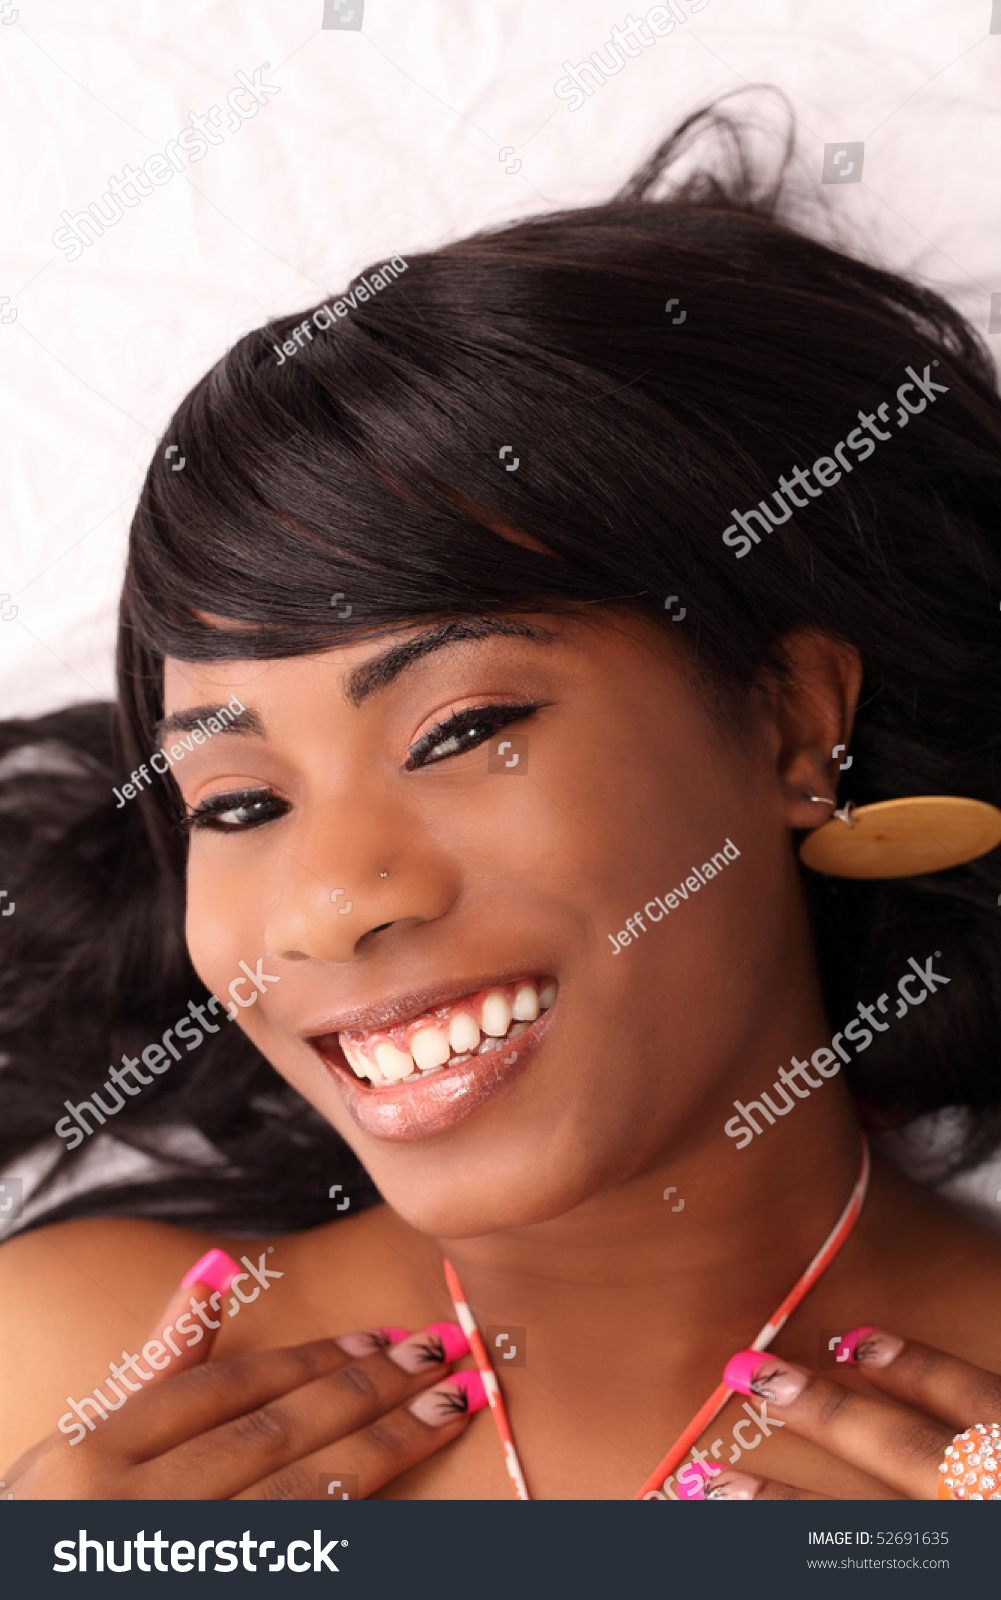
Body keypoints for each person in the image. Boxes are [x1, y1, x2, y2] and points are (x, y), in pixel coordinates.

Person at [2, 101, 1001, 1503]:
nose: (333, 899)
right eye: (234, 804)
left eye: (460, 729)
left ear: (789, 724)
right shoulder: (69, 1383)